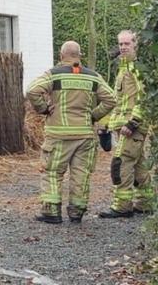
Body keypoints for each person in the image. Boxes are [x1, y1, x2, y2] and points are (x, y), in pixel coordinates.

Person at [27, 41, 117, 223]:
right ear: (80, 55)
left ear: (61, 56)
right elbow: (111, 98)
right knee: (81, 174)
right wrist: (93, 115)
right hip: (84, 135)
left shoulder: (53, 75)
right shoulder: (93, 77)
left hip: (58, 134)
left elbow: (32, 91)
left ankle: (51, 212)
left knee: (52, 172)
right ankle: (77, 212)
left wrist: (44, 109)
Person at [98, 30, 151, 218]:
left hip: (132, 126)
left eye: (127, 44)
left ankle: (122, 206)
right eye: (120, 44)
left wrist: (134, 122)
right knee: (138, 164)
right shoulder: (124, 68)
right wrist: (108, 123)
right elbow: (119, 101)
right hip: (123, 125)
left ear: (135, 45)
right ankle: (145, 203)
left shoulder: (136, 68)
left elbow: (145, 97)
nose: (122, 47)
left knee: (121, 163)